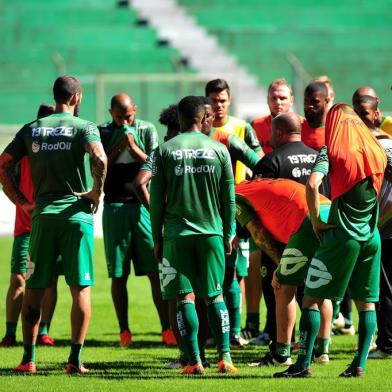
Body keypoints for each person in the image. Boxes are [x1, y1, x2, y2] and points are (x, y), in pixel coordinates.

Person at [0, 75, 107, 374]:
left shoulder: (32, 129)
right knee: (80, 289)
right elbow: (100, 157)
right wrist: (96, 190)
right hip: (76, 217)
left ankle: (28, 359)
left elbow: (2, 164)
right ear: (76, 98)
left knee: (34, 288)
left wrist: (22, 202)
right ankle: (74, 360)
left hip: (42, 218)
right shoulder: (84, 126)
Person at [275, 103, 387, 378]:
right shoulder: (377, 150)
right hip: (371, 237)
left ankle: (302, 365)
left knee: (311, 299)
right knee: (366, 303)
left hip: (341, 234)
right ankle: (359, 364)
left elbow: (313, 184)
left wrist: (315, 220)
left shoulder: (332, 151)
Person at [150, 96, 237, 375]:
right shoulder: (219, 149)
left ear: (179, 119)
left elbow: (156, 201)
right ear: (203, 118)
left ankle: (194, 361)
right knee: (215, 296)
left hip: (177, 235)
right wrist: (229, 232)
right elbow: (229, 199)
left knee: (184, 298)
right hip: (212, 232)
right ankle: (225, 358)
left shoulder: (165, 151)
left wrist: (157, 237)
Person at [251, 113, 331, 365]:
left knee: (280, 290)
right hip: (319, 234)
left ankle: (281, 350)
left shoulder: (270, 161)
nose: (270, 138)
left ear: (280, 132)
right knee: (318, 291)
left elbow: (259, 205)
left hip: (283, 240)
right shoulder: (319, 157)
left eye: (272, 133)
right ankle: (321, 351)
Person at [98, 93, 174, 347]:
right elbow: (100, 169)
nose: (124, 121)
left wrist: (132, 147)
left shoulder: (146, 129)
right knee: (118, 275)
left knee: (154, 271)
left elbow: (156, 164)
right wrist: (118, 147)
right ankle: (124, 331)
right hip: (115, 207)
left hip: (143, 207)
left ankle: (166, 329)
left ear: (135, 110)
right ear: (111, 113)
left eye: (128, 115)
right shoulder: (103, 132)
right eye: (119, 117)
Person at [235, 178, 332, 367]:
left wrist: (280, 265)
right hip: (329, 210)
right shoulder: (250, 185)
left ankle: (281, 355)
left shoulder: (234, 197)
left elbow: (258, 234)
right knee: (318, 284)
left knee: (283, 285)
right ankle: (322, 351)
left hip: (307, 219)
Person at [205, 79, 263, 347]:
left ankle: (235, 331)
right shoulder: (200, 131)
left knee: (235, 274)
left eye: (222, 100)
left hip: (237, 212)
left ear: (229, 101)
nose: (218, 105)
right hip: (206, 211)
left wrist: (250, 180)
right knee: (210, 273)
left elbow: (260, 160)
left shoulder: (240, 128)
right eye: (214, 100)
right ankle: (212, 330)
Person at [0, 104, 58, 348]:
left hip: (54, 225)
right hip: (26, 228)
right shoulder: (24, 147)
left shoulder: (61, 150)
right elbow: (5, 177)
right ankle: (10, 333)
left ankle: (43, 331)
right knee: (19, 279)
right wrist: (22, 203)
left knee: (51, 280)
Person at [353, 94, 392, 359]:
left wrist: (379, 220)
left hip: (382, 224)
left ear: (376, 115)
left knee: (383, 286)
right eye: (356, 115)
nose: (361, 120)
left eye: (364, 114)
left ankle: (387, 344)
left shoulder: (376, 146)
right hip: (377, 223)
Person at [252, 78, 296, 154]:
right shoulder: (255, 126)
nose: (278, 102)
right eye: (273, 98)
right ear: (267, 100)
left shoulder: (303, 125)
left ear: (291, 101)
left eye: (282, 98)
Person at [302, 82, 330, 151]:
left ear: (326, 101)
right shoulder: (296, 130)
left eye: (315, 102)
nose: (309, 106)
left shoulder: (334, 132)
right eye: (306, 101)